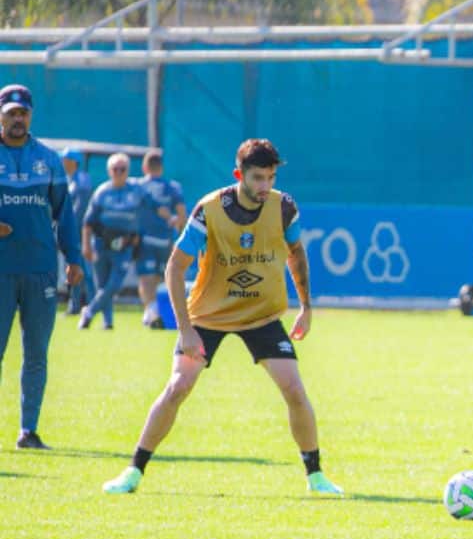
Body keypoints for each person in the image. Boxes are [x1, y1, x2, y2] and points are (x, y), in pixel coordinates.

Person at [103, 138, 342, 496]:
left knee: (294, 388)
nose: (265, 186)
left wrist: (306, 308)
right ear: (239, 175)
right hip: (207, 316)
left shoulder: (284, 207)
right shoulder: (209, 209)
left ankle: (316, 476)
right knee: (177, 387)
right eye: (258, 178)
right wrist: (185, 331)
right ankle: (133, 471)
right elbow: (175, 266)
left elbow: (296, 253)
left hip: (261, 315)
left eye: (271, 177)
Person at [0, 84, 85, 450]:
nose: (18, 119)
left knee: (36, 353)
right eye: (11, 113)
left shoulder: (48, 159)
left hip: (40, 269)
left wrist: (75, 257)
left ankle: (28, 431)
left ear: (30, 115)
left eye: (23, 113)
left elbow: (64, 213)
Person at [80, 153, 151, 330]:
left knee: (114, 284)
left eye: (123, 169)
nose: (119, 172)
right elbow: (88, 222)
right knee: (102, 285)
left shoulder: (136, 190)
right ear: (109, 171)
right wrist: (86, 245)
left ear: (128, 171)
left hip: (124, 246)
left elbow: (150, 209)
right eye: (115, 169)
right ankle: (108, 322)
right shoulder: (102, 192)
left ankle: (89, 311)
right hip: (101, 243)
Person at [134, 151, 186, 328]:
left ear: (144, 167)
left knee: (146, 277)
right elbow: (181, 215)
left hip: (145, 239)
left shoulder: (137, 186)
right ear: (161, 167)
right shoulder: (173, 186)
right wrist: (178, 233)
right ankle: (159, 312)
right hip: (165, 240)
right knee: (163, 277)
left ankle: (151, 311)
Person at [60, 148, 96, 316]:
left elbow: (78, 211)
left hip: (81, 233)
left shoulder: (81, 181)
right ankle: (74, 306)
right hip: (74, 233)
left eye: (65, 160)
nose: (62, 163)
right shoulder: (70, 179)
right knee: (73, 268)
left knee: (86, 272)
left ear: (72, 162)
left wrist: (67, 228)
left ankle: (93, 305)